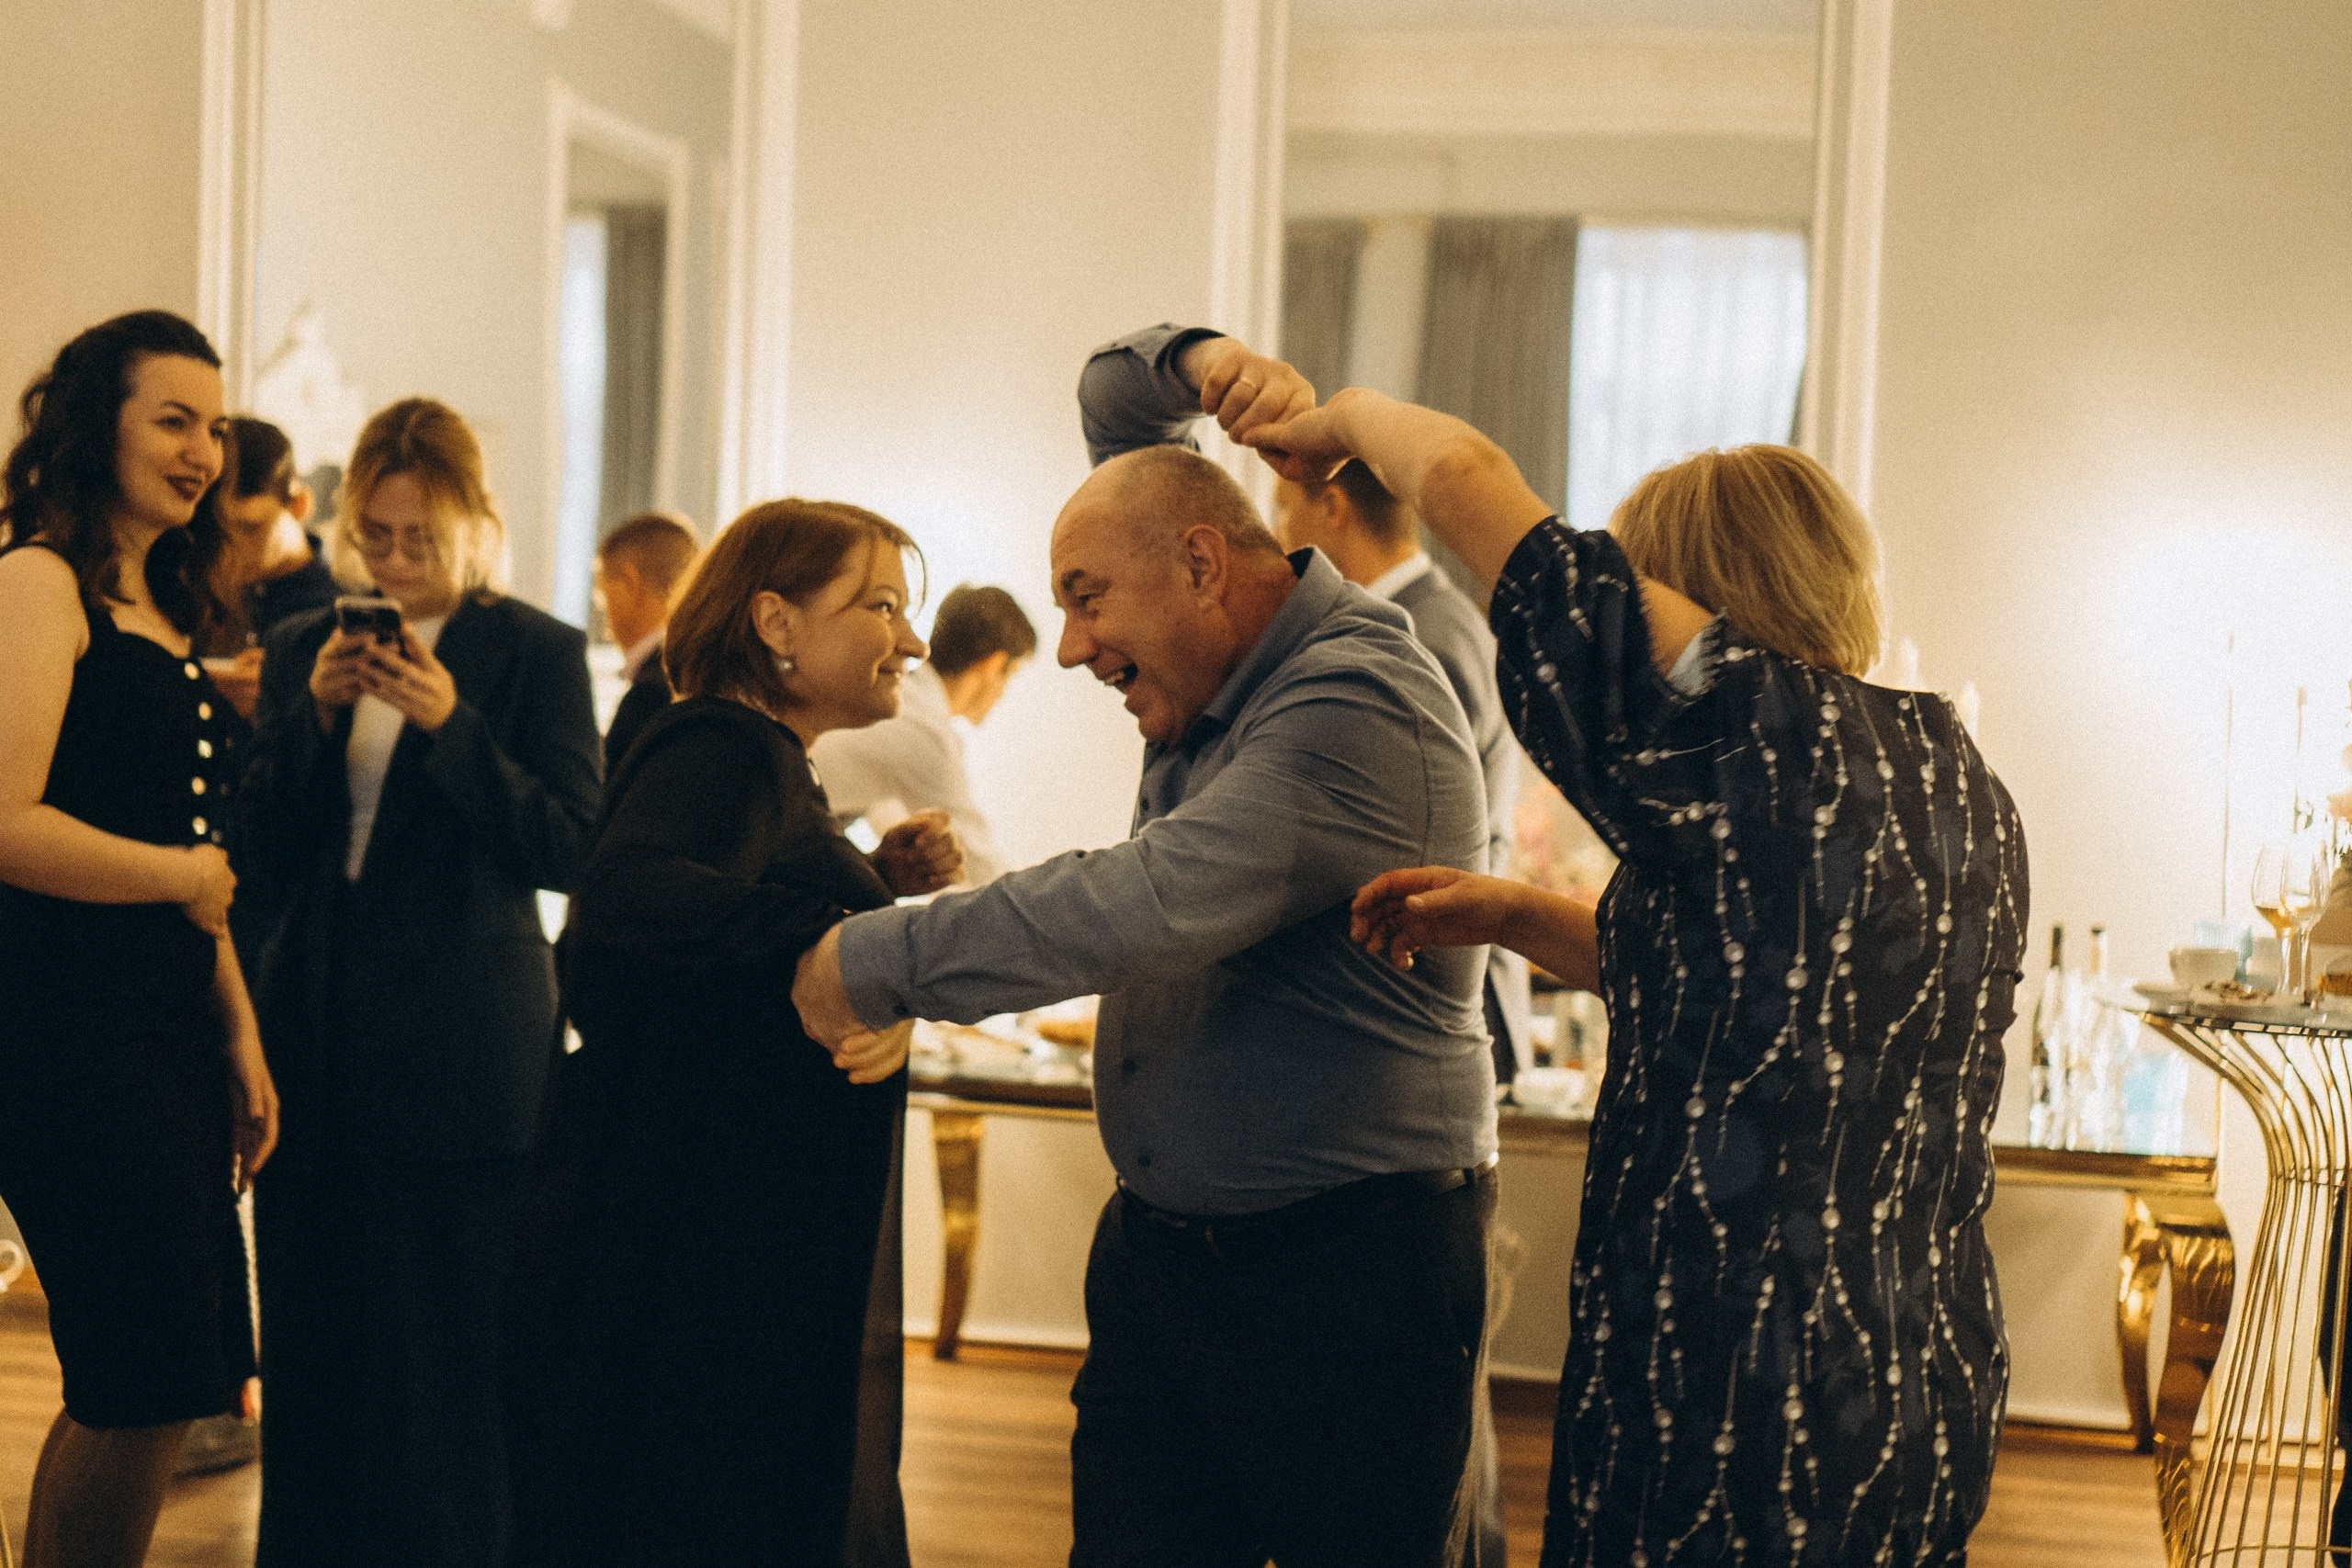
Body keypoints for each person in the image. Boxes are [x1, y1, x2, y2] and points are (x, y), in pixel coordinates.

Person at [1249, 389, 2026, 1565]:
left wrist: (1342, 419)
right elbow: (1759, 993)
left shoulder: (1740, 733)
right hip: (1919, 1369)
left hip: (1733, 1386)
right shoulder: (1949, 773)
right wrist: (1516, 914)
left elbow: (1466, 477)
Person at [794, 325, 1498, 1568]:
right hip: (1165, 1270)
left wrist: (865, 960)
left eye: (1085, 599)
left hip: (1342, 1284)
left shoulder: (1355, 696)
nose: (1071, 646)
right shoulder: (1206, 627)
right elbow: (1117, 417)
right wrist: (1199, 361)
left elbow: (1139, 902)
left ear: (1202, 565)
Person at [508, 499, 961, 1566]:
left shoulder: (760, 755)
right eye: (881, 606)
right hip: (706, 1263)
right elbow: (628, 901)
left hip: (714, 1243)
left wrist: (868, 888)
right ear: (776, 622)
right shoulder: (724, 744)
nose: (911, 640)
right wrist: (849, 943)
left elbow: (712, 935)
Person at [235, 397, 602, 1568]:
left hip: (464, 1048)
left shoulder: (534, 652)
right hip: (315, 1035)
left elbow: (571, 845)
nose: (394, 562)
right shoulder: (306, 643)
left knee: (445, 1362)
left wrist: (453, 728)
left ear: (473, 527)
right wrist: (312, 714)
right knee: (312, 1344)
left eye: (419, 539)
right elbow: (257, 847)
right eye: (376, 536)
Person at [0, 310, 279, 1568]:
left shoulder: (163, 610)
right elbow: (5, 821)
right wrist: (180, 875)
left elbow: (190, 857)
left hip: (163, 1033)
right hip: (70, 1034)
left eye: (213, 426)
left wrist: (238, 1031)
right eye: (173, 419)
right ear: (92, 425)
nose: (203, 451)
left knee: (181, 1371)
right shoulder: (36, 582)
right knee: (140, 1372)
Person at [810, 581, 1035, 883]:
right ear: (994, 665)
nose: (1004, 694)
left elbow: (887, 817)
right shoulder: (926, 734)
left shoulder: (903, 700)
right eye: (1012, 675)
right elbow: (982, 872)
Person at [200, 415, 337, 722]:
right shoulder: (197, 590)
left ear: (299, 504)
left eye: (250, 528)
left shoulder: (336, 608)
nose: (231, 550)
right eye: (219, 530)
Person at [592, 510, 697, 773]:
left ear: (631, 583)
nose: (605, 624)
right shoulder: (703, 671)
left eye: (603, 597)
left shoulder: (652, 691)